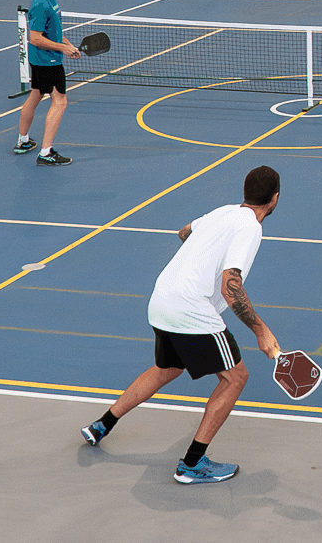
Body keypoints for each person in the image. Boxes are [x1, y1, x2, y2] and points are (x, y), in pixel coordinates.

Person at [80, 165, 283, 484]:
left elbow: (185, 232)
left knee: (167, 369)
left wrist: (202, 255)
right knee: (235, 378)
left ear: (246, 193)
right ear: (275, 198)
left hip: (163, 298)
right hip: (190, 307)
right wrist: (261, 331)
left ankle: (101, 425)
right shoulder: (250, 228)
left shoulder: (224, 212)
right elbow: (231, 285)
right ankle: (192, 463)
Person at [11, 0, 80, 165]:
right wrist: (62, 49)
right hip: (47, 60)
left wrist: (68, 45)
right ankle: (46, 152)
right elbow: (35, 38)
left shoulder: (51, 1)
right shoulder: (41, 4)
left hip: (41, 59)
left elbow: (53, 32)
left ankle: (23, 141)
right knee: (60, 101)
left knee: (36, 95)